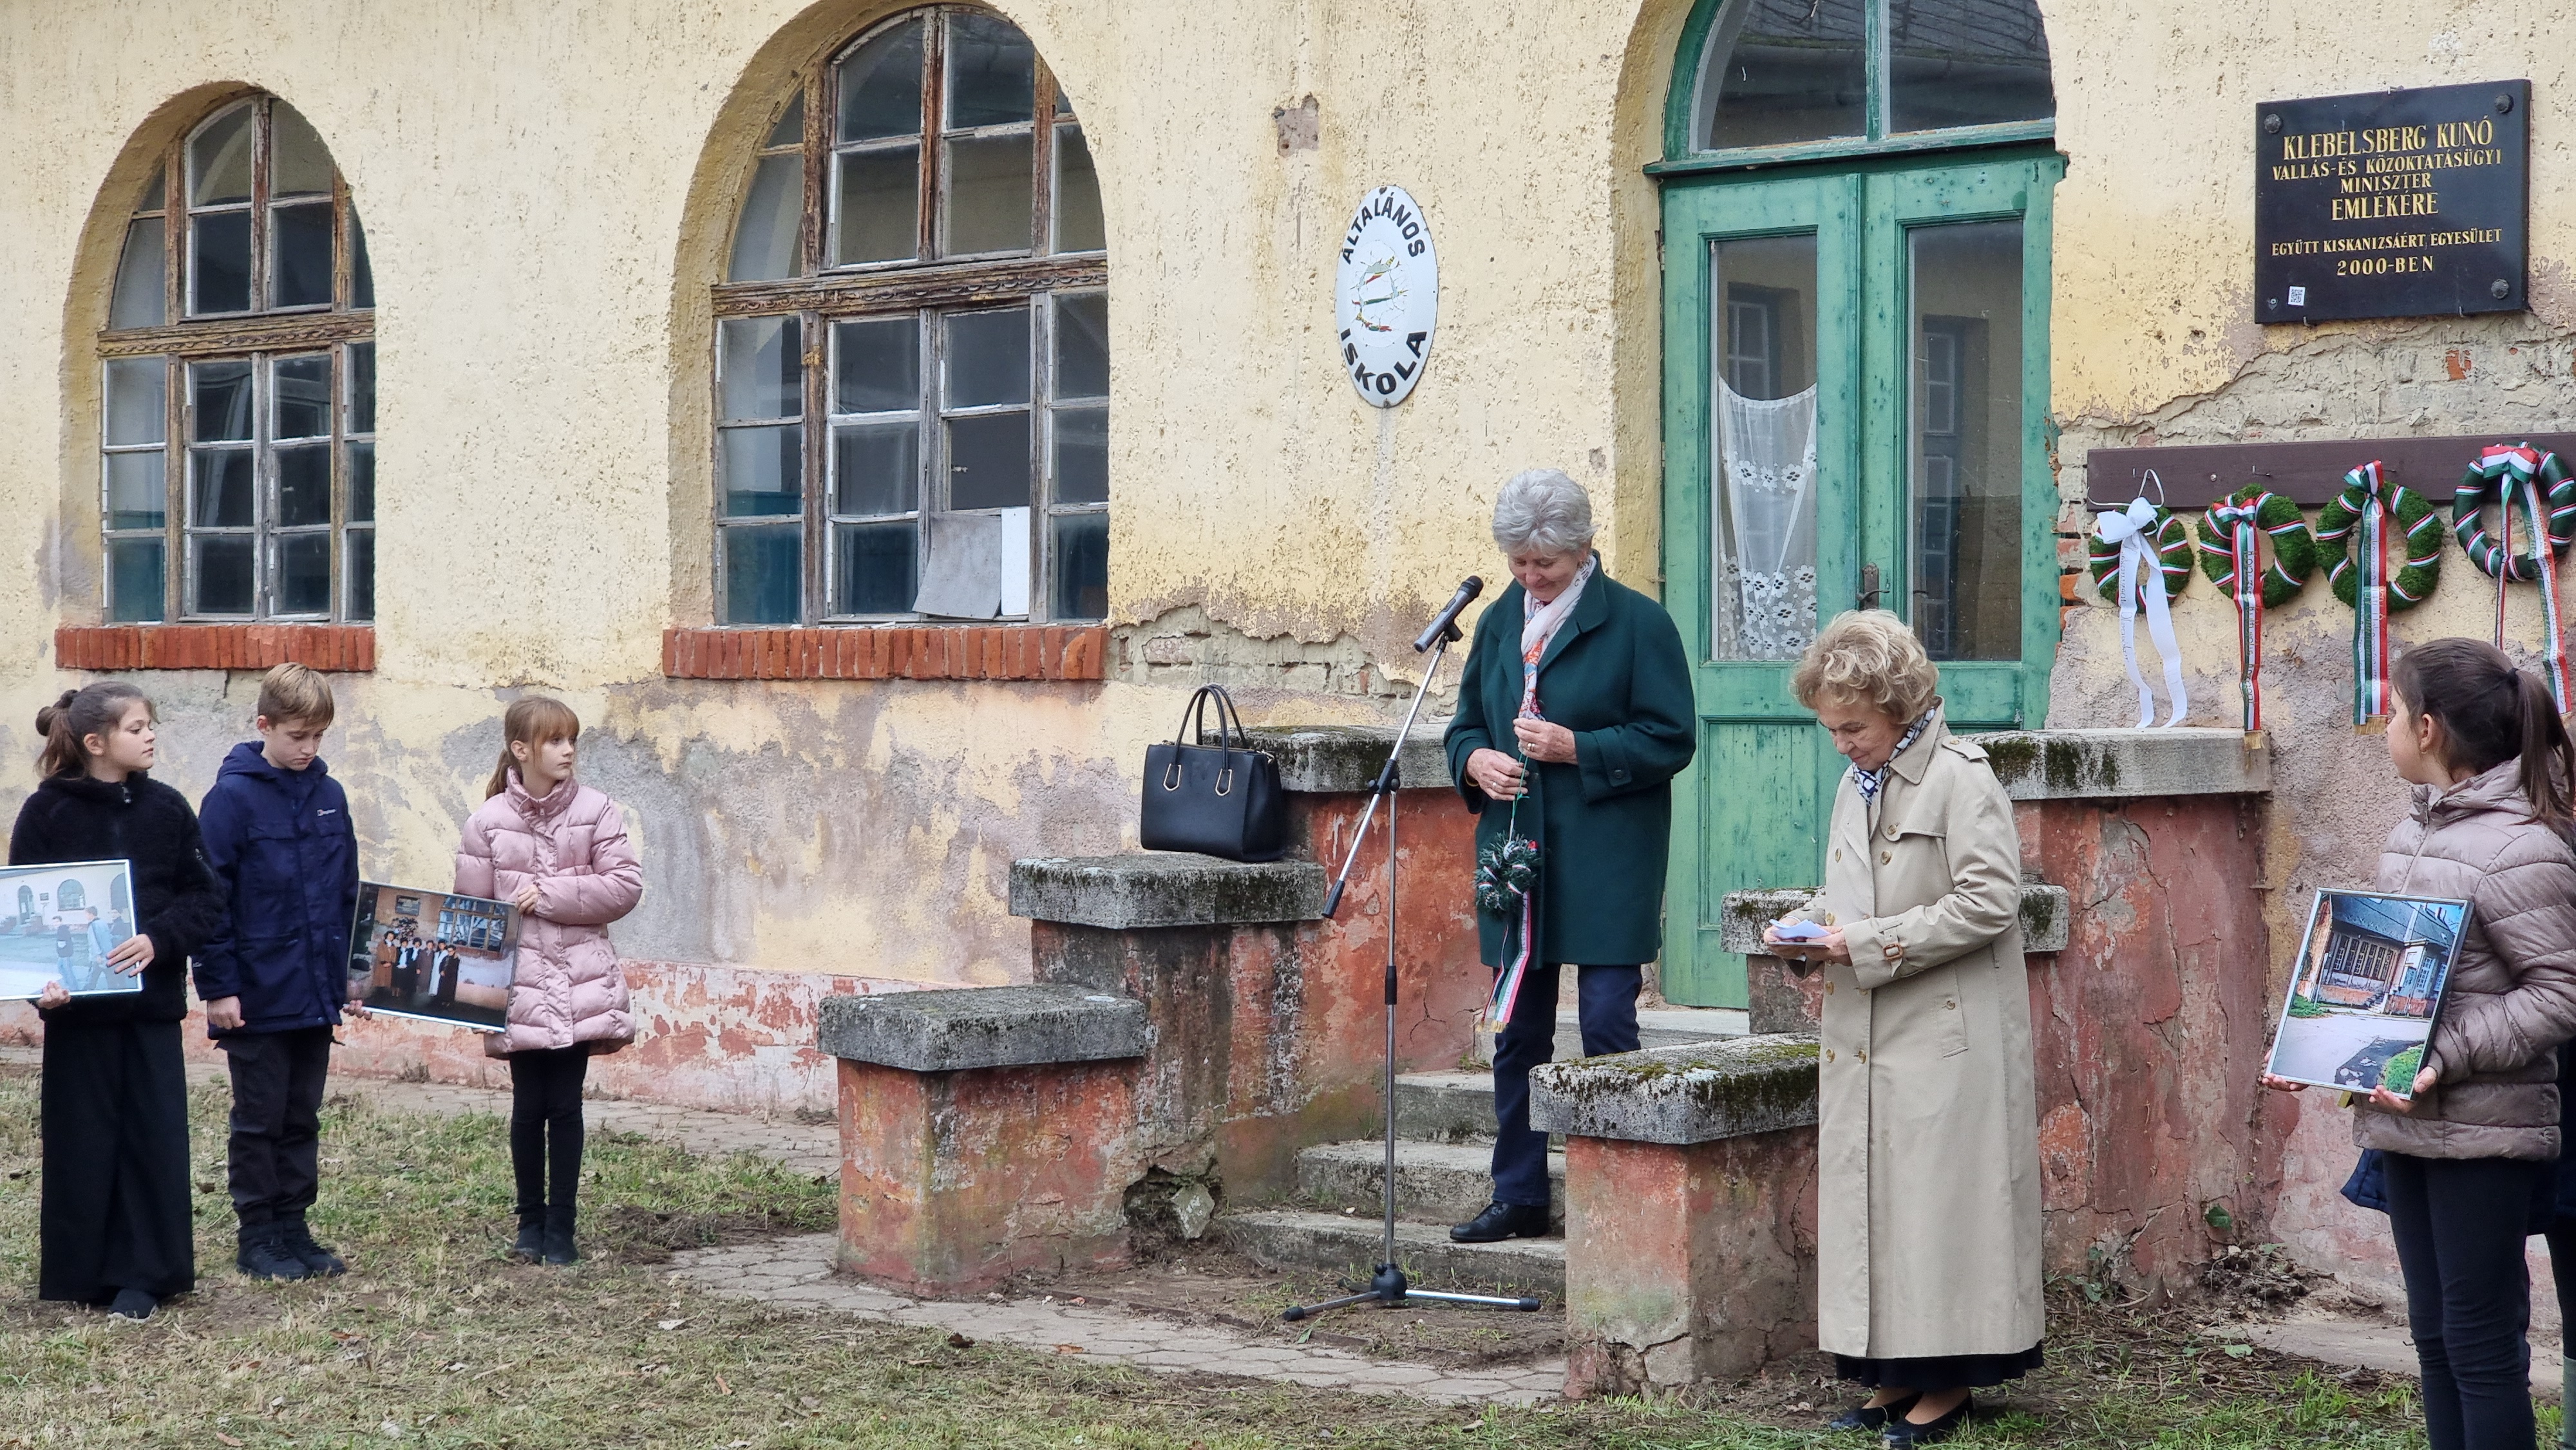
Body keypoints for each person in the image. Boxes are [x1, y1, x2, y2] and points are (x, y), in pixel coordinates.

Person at [2263, 638, 2576, 1450]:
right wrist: (2317, 1046)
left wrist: (2442, 1057)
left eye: (2396, 711)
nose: (2388, 725)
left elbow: (2558, 993)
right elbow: (2391, 978)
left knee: (2479, 1344)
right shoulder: (2413, 832)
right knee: (2433, 1336)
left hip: (2484, 1133)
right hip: (2403, 1122)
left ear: (2429, 728)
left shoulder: (2522, 846)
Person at [1763, 610, 2042, 1446]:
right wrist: (1807, 926)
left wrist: (1866, 942)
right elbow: (1854, 895)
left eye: (1853, 727)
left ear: (1899, 706)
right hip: (1868, 1030)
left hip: (1947, 1031)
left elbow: (1990, 902)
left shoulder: (1962, 778)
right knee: (1880, 1207)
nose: (1841, 743)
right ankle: (1890, 1375)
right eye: (1831, 729)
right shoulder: (1858, 782)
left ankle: (1947, 1384)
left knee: (1939, 1211)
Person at [1441, 468, 1695, 1243]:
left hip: (1608, 853)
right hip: (1517, 852)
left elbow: (1671, 738)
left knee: (1609, 1022)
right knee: (1518, 1030)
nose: (1530, 576)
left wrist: (1575, 746)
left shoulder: (1639, 624)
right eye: (1518, 561)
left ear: (1584, 548)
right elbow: (1464, 724)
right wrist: (1474, 761)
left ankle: (1621, 1201)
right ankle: (1518, 1193)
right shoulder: (1497, 621)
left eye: (1544, 563)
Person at [16, 683, 225, 1321]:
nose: (151, 735)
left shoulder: (168, 808)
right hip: (78, 1015)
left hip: (149, 1009)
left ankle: (147, 1273)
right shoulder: (46, 813)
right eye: (137, 727)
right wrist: (43, 987)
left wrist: (158, 939)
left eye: (151, 724)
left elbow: (205, 898)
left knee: (151, 1138)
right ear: (96, 742)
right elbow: (23, 914)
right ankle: (82, 1270)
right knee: (83, 1140)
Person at [455, 697, 643, 1265]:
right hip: (517, 992)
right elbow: (472, 920)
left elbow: (625, 885)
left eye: (571, 740)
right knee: (526, 1106)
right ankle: (529, 1226)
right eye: (555, 741)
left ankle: (561, 1229)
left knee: (564, 1106)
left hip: (579, 986)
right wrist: (472, 996)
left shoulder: (597, 810)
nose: (567, 751)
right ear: (521, 749)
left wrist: (552, 895)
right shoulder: (486, 823)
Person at [193, 662, 365, 1283]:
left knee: (301, 1116)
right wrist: (220, 987)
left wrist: (353, 974)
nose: (309, 748)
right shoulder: (230, 799)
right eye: (297, 736)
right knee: (259, 1118)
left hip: (314, 991)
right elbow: (209, 898)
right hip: (257, 992)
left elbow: (347, 894)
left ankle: (294, 1227)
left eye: (318, 736)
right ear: (264, 725)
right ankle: (258, 1234)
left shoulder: (330, 796)